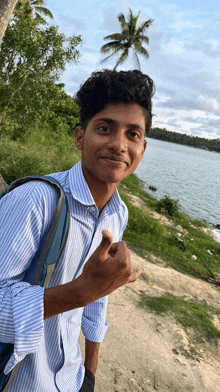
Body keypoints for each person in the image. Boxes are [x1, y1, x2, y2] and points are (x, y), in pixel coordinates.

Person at [0, 69, 155, 391]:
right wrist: (81, 291)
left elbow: (97, 303)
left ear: (142, 148)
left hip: (71, 379)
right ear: (80, 137)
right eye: (104, 128)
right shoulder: (35, 200)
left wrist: (90, 374)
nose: (118, 145)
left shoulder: (118, 214)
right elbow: (89, 292)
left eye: (133, 134)